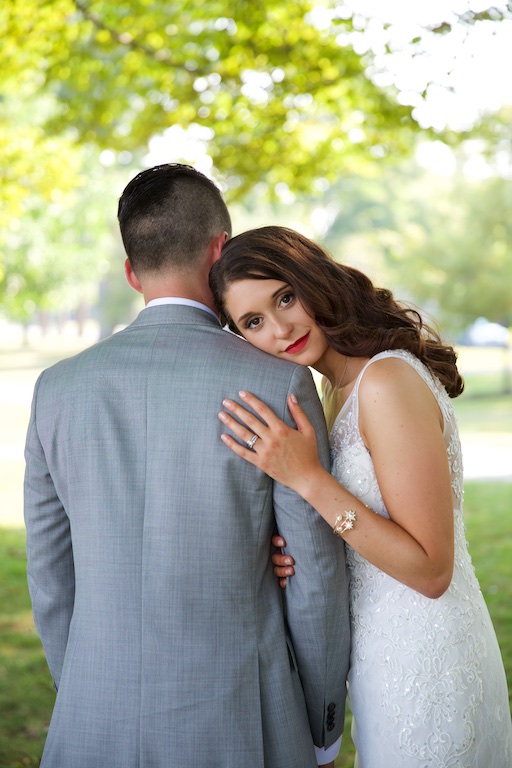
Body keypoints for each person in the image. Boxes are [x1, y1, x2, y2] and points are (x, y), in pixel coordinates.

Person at [24, 167, 350, 768]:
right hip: (246, 717)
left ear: (131, 271)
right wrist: (324, 721)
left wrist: (85, 693)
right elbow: (314, 573)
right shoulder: (277, 382)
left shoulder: (55, 389)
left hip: (94, 718)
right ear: (220, 249)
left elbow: (49, 575)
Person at [210, 225, 512, 768]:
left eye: (285, 297)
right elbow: (366, 528)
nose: (281, 328)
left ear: (313, 279)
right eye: (253, 322)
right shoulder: (335, 389)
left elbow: (429, 569)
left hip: (429, 660)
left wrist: (309, 481)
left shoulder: (386, 381)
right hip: (381, 658)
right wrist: (300, 554)